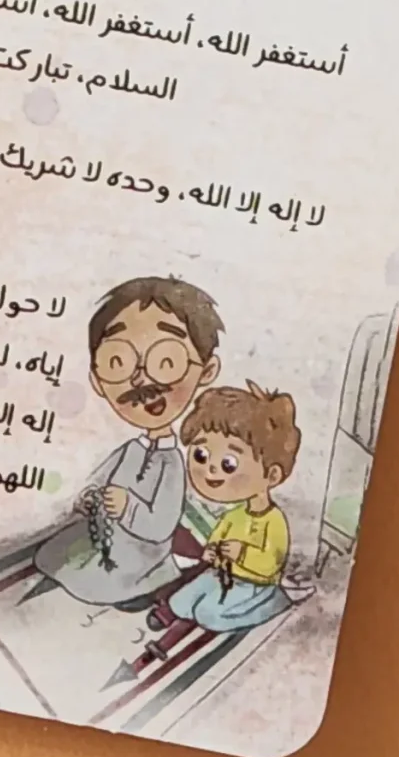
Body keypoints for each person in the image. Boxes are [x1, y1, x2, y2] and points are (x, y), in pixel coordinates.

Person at [27, 277, 221, 606]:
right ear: (98, 381)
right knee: (54, 555)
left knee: (97, 581)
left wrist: (127, 506)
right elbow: (100, 478)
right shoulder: (131, 449)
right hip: (106, 533)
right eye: (117, 362)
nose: (141, 379)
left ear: (206, 371)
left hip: (141, 553)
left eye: (166, 362)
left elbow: (160, 527)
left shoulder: (173, 465)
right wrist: (91, 496)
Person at [121, 385, 300, 676]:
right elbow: (218, 537)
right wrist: (214, 551)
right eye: (202, 455)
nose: (211, 470)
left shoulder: (274, 520)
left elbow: (272, 562)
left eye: (228, 463)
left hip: (254, 583)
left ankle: (269, 604)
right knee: (186, 598)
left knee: (208, 612)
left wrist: (242, 553)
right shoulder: (235, 514)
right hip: (221, 574)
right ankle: (171, 619)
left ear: (272, 475)